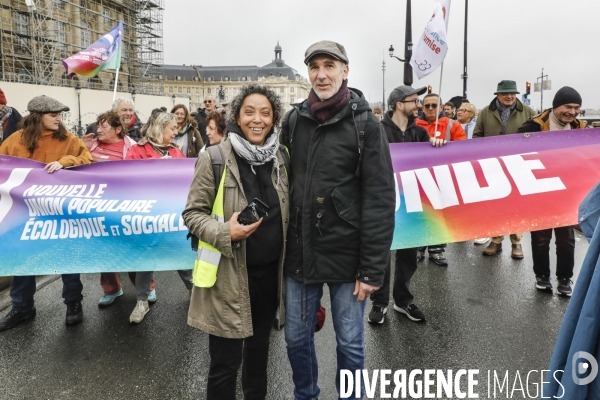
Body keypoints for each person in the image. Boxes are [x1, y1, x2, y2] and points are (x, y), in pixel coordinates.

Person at [280, 40, 395, 399]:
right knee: (296, 339)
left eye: (329, 65)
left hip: (348, 256)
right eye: (314, 67)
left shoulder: (366, 125)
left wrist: (372, 269)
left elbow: (380, 200)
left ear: (345, 71)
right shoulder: (294, 119)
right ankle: (306, 395)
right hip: (301, 252)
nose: (321, 74)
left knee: (350, 344)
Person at [183, 84, 288, 400]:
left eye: (266, 113)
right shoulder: (214, 158)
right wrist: (226, 233)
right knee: (225, 364)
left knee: (258, 360)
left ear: (274, 119)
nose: (258, 120)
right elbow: (192, 214)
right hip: (228, 277)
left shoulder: (280, 157)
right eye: (250, 112)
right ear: (237, 118)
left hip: (270, 278)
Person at [0, 95, 93, 331]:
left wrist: (66, 161)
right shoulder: (14, 141)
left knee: (66, 259)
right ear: (37, 117)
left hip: (60, 213)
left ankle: (73, 304)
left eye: (59, 115)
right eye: (53, 115)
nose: (58, 119)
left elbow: (87, 159)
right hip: (24, 214)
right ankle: (22, 309)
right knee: (23, 261)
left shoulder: (68, 139)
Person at [368, 85, 431, 325]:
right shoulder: (377, 131)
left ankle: (402, 300)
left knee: (408, 254)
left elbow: (431, 161)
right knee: (382, 253)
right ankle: (379, 302)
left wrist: (437, 146)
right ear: (399, 105)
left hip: (412, 201)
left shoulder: (421, 133)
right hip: (384, 201)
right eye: (414, 101)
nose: (419, 105)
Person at [124, 112, 193, 323]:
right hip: (146, 215)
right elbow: (127, 179)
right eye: (172, 128)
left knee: (182, 258)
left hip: (172, 214)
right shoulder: (137, 150)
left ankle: (198, 297)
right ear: (159, 128)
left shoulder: (176, 152)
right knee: (145, 259)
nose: (176, 132)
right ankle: (141, 301)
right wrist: (157, 166)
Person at [517, 87, 585, 296]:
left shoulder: (581, 127)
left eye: (576, 108)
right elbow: (515, 153)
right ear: (556, 107)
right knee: (541, 237)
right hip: (540, 191)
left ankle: (565, 279)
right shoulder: (533, 126)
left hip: (567, 193)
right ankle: (542, 276)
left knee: (566, 238)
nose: (572, 112)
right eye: (568, 107)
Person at [81, 110, 150, 306]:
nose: (99, 129)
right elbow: (77, 169)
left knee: (133, 248)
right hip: (97, 209)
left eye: (104, 126)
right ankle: (112, 289)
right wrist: (82, 148)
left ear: (118, 129)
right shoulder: (90, 145)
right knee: (105, 250)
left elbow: (142, 175)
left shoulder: (132, 148)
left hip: (125, 207)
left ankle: (145, 288)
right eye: (98, 125)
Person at [473, 80, 535, 259]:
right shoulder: (486, 112)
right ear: (498, 95)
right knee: (496, 204)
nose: (509, 96)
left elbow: (536, 136)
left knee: (517, 204)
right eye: (505, 93)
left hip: (519, 164)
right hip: (493, 165)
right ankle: (496, 239)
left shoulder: (528, 112)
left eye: (512, 93)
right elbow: (477, 135)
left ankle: (517, 242)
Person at [416, 94, 467, 266]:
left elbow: (462, 149)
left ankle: (436, 250)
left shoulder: (453, 125)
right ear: (422, 108)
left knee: (440, 214)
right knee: (420, 213)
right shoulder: (414, 125)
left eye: (434, 105)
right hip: (419, 178)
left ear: (441, 106)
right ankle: (418, 247)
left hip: (442, 178)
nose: (431, 108)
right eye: (427, 106)